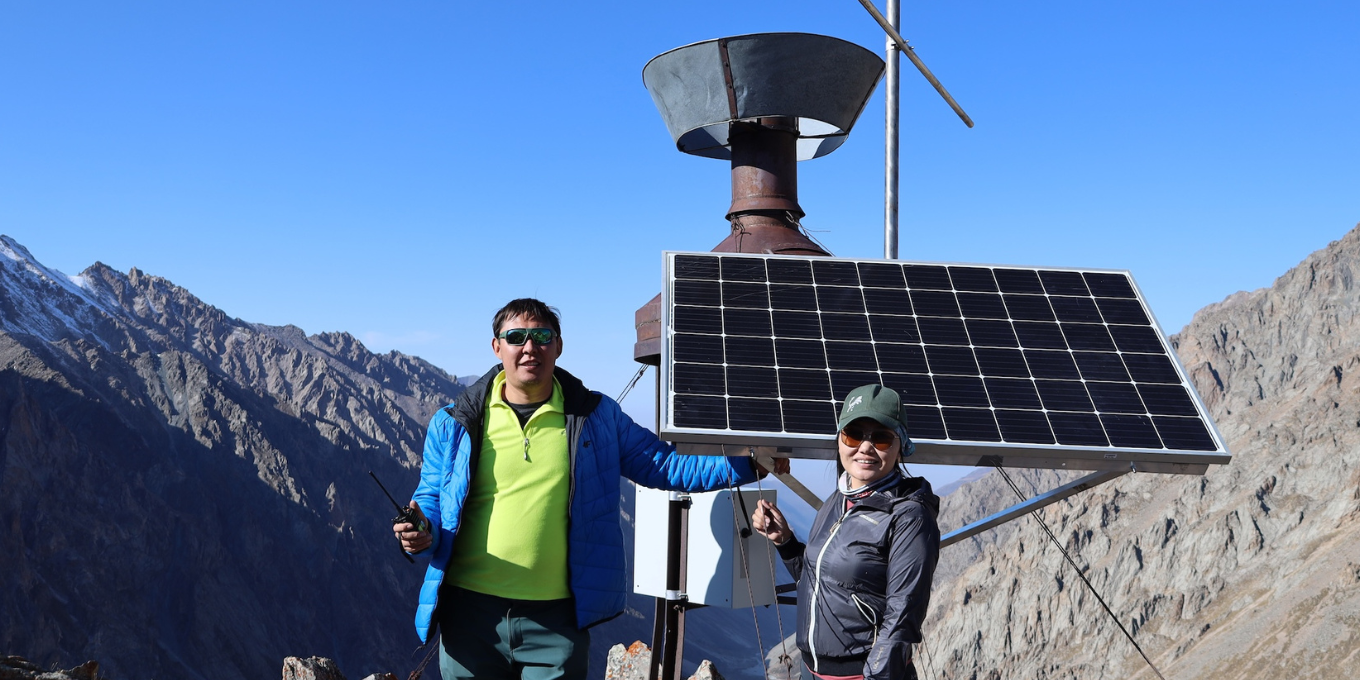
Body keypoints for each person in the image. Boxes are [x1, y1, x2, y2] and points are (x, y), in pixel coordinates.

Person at [392, 298, 785, 680]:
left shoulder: (597, 417)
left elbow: (666, 465)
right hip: (469, 615)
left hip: (555, 621)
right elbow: (431, 497)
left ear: (558, 346)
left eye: (542, 336)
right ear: (497, 347)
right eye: (516, 337)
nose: (529, 347)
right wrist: (420, 532)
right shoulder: (454, 423)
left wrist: (748, 463)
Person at [752, 384, 941, 680]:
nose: (865, 447)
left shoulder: (909, 516)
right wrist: (785, 542)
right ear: (840, 440)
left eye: (881, 438)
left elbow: (903, 615)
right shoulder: (838, 499)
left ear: (900, 446)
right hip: (812, 670)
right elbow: (820, 582)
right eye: (853, 435)